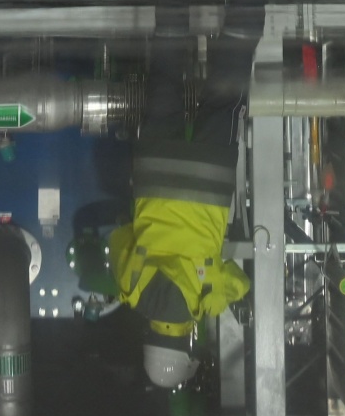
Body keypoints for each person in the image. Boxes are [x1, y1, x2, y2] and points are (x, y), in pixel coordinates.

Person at [109, 22, 255, 391]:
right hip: (157, 170)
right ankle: (172, 6)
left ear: (185, 346)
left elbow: (240, 283)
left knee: (225, 95)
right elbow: (119, 235)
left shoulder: (208, 301)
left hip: (210, 175)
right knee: (163, 88)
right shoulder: (130, 289)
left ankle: (243, 17)